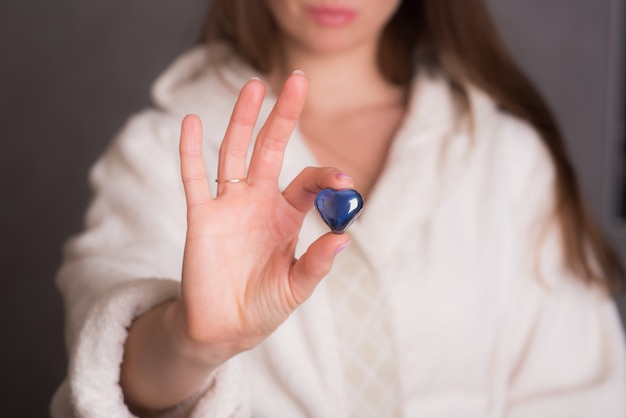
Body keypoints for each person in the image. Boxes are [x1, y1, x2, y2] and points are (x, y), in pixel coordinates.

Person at [51, 0, 626, 417]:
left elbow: (582, 395)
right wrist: (190, 342)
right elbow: (105, 375)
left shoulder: (507, 158)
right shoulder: (162, 152)